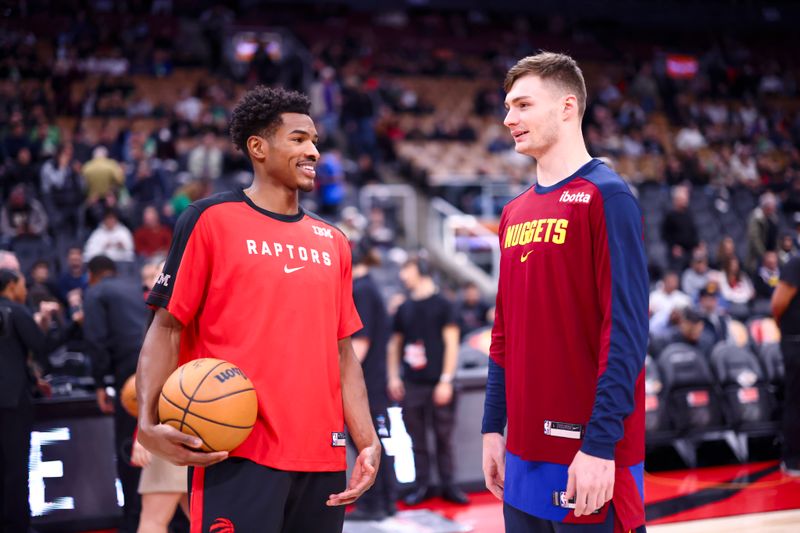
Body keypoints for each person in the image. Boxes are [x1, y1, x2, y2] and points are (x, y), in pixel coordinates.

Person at [136, 86, 380, 533]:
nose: (313, 150)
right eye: (299, 139)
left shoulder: (334, 241)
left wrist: (366, 441)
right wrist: (147, 423)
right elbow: (167, 327)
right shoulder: (209, 219)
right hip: (235, 448)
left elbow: (342, 353)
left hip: (322, 457)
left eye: (315, 141)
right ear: (258, 147)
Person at [482, 52, 648, 532]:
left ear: (567, 106)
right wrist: (493, 428)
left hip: (589, 458)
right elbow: (503, 335)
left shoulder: (607, 196)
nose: (508, 118)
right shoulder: (513, 212)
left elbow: (626, 335)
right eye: (508, 107)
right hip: (522, 458)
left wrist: (599, 446)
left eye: (522, 105)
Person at [387, 255, 468, 506]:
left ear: (421, 270)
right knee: (416, 438)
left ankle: (448, 484)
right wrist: (393, 376)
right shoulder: (403, 307)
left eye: (407, 269)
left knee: (444, 437)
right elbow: (395, 344)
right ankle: (422, 484)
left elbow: (452, 344)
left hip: (438, 381)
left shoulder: (445, 304)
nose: (402, 275)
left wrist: (446, 380)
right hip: (412, 382)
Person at [83, 255, 150, 532]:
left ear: (92, 275)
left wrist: (100, 383)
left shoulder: (95, 292)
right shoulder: (134, 287)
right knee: (158, 444)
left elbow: (96, 340)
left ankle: (133, 520)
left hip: (129, 379)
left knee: (129, 446)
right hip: (158, 366)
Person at [131, 260, 189, 533]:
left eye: (157, 275)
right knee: (207, 521)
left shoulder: (165, 319)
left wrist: (143, 431)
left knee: (153, 519)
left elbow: (154, 378)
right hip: (204, 423)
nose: (152, 282)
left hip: (173, 422)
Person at [346, 240, 397, 521]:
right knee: (375, 442)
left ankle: (376, 503)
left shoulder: (363, 289)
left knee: (369, 442)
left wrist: (340, 377)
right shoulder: (368, 287)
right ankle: (386, 501)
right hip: (372, 382)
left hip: (367, 385)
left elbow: (360, 344)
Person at [0, 266, 51, 533]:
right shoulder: (16, 310)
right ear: (10, 285)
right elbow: (42, 346)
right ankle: (17, 526)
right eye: (22, 284)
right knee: (16, 468)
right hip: (11, 401)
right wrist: (47, 324)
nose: (25, 290)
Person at [771, 255, 800, 477]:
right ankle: (793, 460)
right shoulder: (795, 263)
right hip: (795, 341)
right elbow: (778, 304)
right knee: (795, 399)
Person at [746, 192, 779, 274]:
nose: (774, 209)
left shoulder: (773, 218)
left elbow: (776, 238)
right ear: (766, 206)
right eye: (772, 206)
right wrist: (764, 255)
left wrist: (775, 254)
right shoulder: (756, 218)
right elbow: (754, 239)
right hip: (757, 257)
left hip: (771, 255)